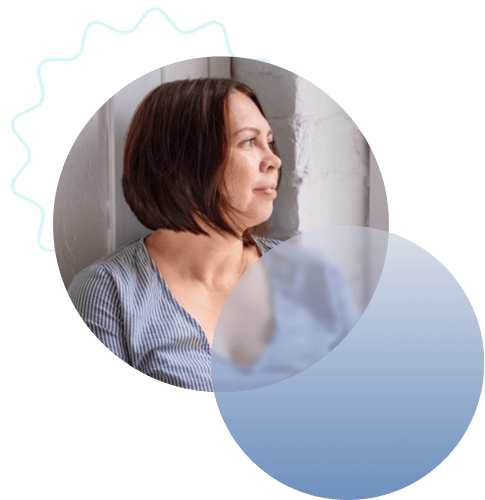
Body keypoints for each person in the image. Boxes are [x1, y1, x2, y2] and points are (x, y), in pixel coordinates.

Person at [68, 78, 283, 391]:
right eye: (249, 141)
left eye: (269, 141)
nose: (274, 160)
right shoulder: (108, 293)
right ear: (186, 159)